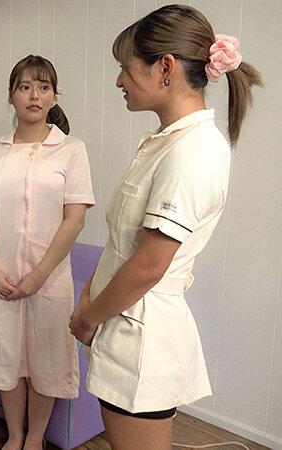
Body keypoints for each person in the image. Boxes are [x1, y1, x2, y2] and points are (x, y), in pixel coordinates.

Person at [68, 5, 262, 449]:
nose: (119, 80)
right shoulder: (165, 142)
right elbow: (124, 245)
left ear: (165, 68)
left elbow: (148, 266)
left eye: (125, 66)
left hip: (142, 338)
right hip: (122, 323)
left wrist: (88, 317)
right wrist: (91, 297)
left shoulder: (194, 151)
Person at [0, 55, 95, 450]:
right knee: (6, 357)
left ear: (54, 95)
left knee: (47, 360)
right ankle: (15, 435)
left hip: (49, 277)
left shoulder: (71, 149)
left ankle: (36, 438)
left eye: (43, 87)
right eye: (25, 87)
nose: (34, 96)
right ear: (11, 95)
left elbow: (75, 218)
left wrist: (39, 275)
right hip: (1, 275)